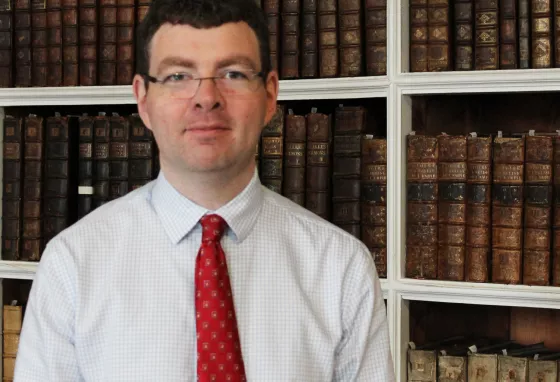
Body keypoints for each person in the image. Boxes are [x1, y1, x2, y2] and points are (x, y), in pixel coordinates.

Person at [14, 0, 395, 380]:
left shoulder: (341, 268)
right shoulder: (72, 265)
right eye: (178, 76)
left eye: (232, 73)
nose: (206, 97)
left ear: (270, 95)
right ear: (143, 100)